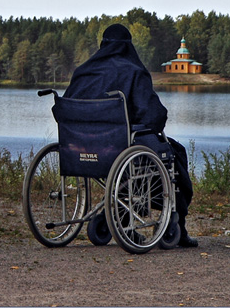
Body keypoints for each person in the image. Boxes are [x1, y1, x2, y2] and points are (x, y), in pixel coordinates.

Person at [63, 23, 198, 248]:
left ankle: (123, 218)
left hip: (80, 149)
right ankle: (177, 223)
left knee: (135, 156)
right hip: (120, 147)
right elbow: (154, 116)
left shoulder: (83, 72)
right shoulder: (133, 71)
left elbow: (65, 108)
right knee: (174, 153)